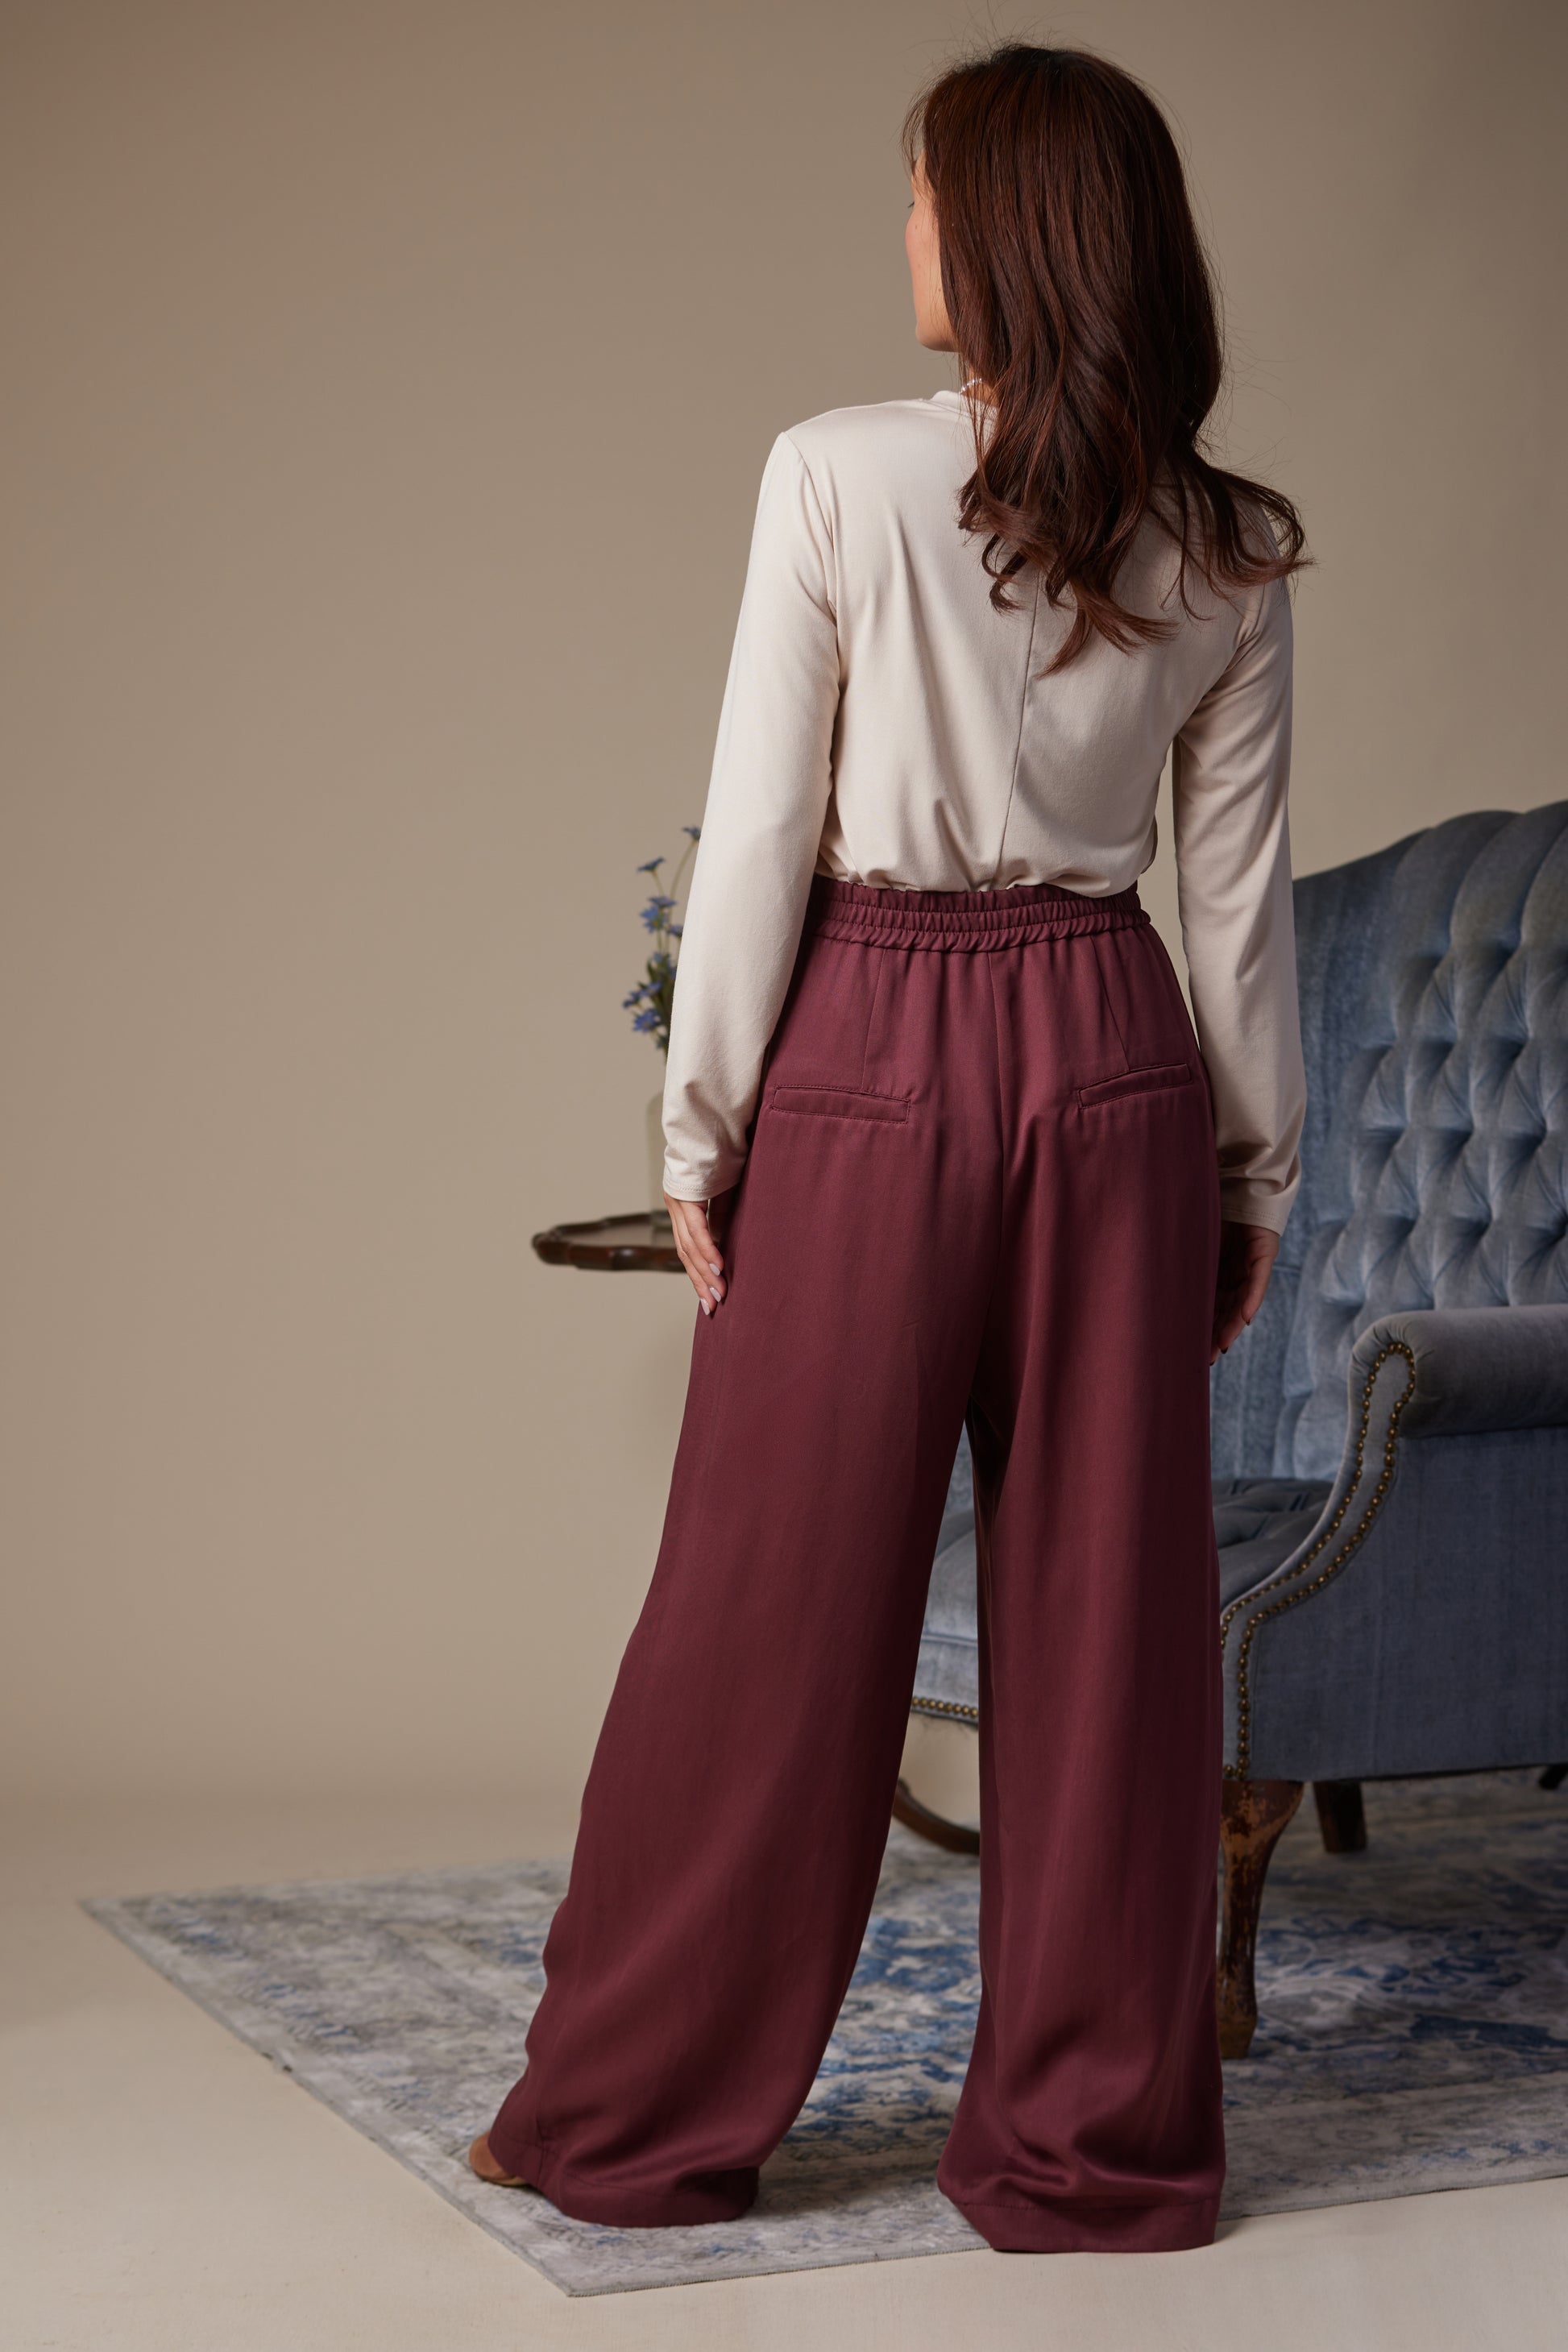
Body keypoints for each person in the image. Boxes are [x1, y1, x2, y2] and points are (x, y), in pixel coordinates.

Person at [470, 40, 1308, 2255]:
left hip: (874, 1041)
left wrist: (699, 1121)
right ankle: (1091, 2149)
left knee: (767, 1606)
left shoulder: (834, 475)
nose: (903, 231)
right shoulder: (1227, 542)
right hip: (1118, 1058)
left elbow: (760, 824)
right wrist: (1252, 1183)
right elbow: (1228, 908)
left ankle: (629, 2118)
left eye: (921, 193)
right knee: (1110, 1628)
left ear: (1003, 227)